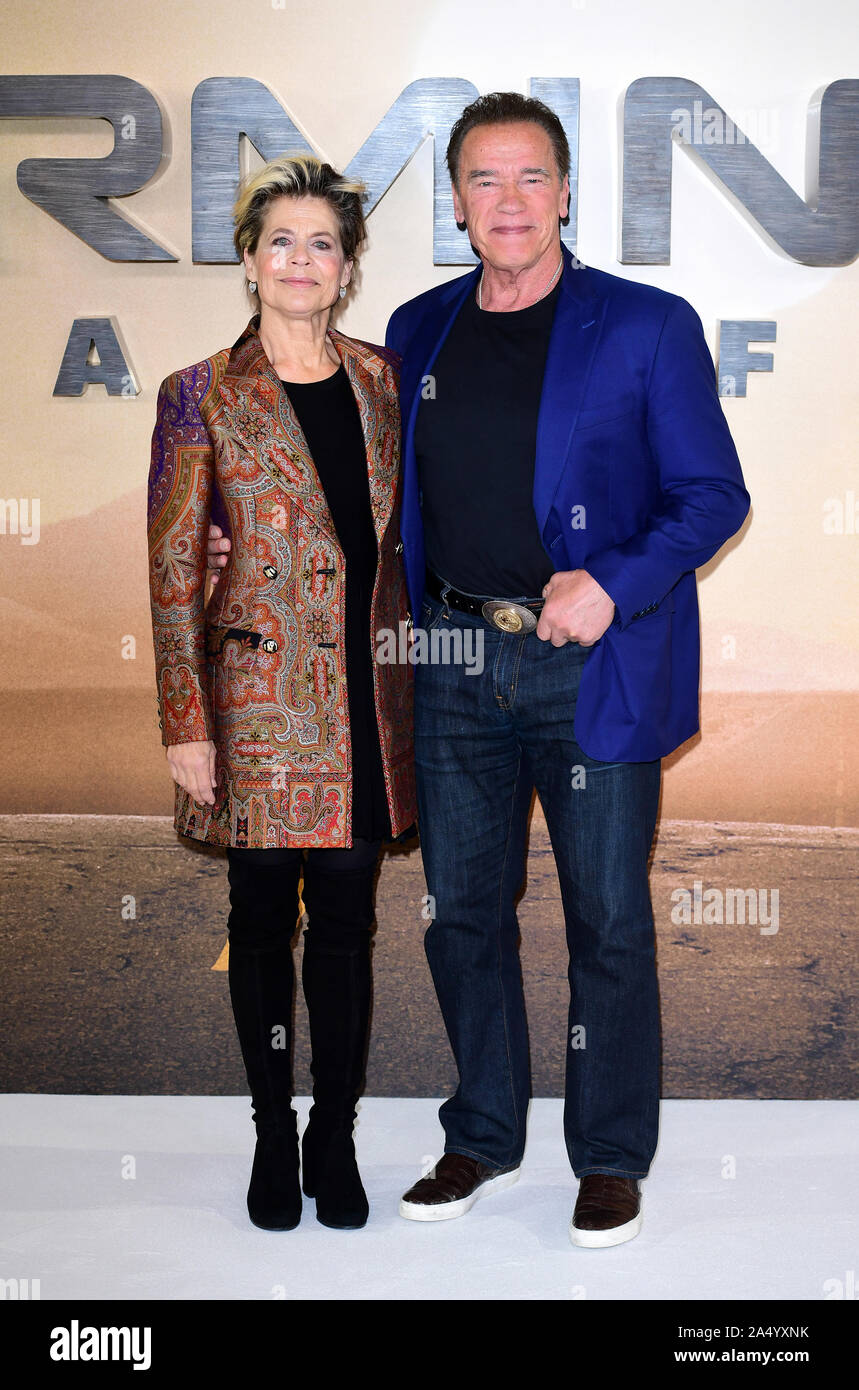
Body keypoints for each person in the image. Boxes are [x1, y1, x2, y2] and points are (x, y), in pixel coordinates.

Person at [207, 93, 750, 1249]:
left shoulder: (646, 324)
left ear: (564, 193)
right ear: (456, 204)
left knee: (607, 917)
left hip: (591, 663)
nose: (507, 202)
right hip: (445, 660)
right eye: (484, 183)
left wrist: (608, 578)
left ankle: (607, 1156)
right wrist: (231, 532)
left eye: (529, 178)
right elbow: (342, 479)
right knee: (461, 915)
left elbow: (713, 494)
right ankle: (484, 1135)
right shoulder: (415, 331)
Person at [148, 153, 416, 1233]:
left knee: (348, 924)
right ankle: (269, 1132)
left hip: (364, 701)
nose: (300, 260)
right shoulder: (197, 394)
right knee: (260, 921)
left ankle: (332, 1134)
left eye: (322, 242)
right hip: (252, 705)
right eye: (280, 241)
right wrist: (184, 723)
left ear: (346, 267)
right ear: (250, 261)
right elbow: (172, 571)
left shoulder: (386, 381)